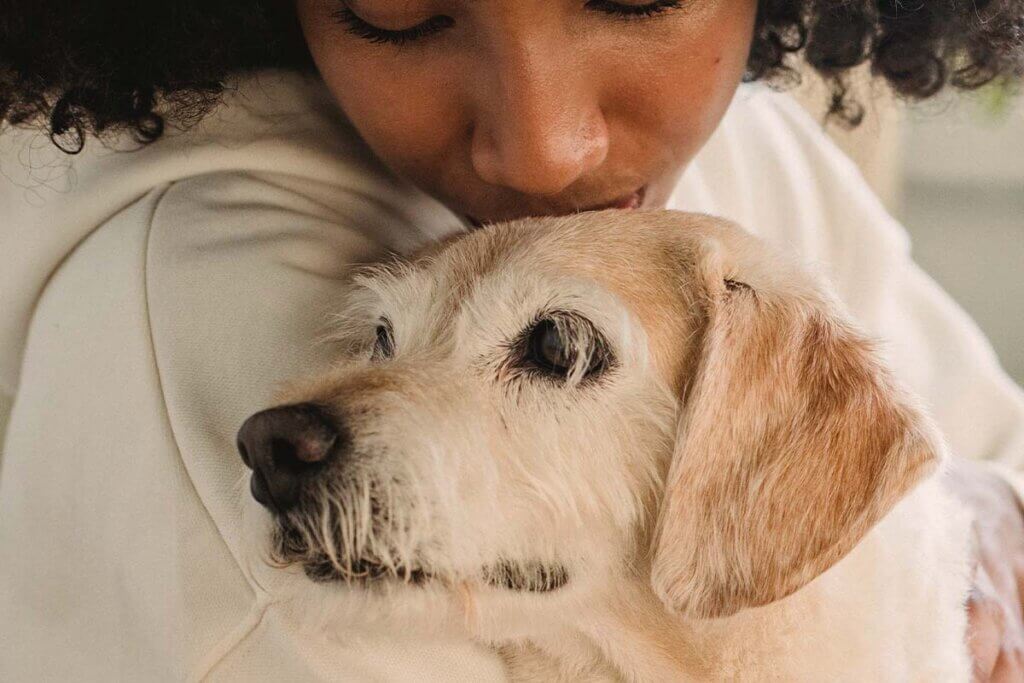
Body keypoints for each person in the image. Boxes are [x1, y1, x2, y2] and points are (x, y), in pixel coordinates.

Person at [1, 0, 1023, 679]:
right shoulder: (210, 291)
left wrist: (971, 514)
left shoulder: (757, 148)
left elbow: (990, 451)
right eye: (399, 10)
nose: (543, 149)